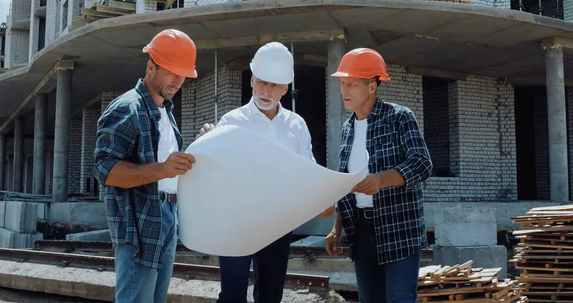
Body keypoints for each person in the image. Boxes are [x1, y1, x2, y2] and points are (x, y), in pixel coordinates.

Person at [197, 42, 330, 303]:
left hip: (277, 225)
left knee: (271, 295)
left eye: (273, 85)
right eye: (261, 82)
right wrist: (206, 145)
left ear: (285, 88)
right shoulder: (231, 122)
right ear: (252, 80)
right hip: (236, 223)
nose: (266, 90)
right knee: (232, 296)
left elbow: (307, 172)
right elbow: (213, 171)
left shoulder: (296, 126)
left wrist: (324, 196)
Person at [94, 29, 198, 303]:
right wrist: (163, 169)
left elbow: (166, 167)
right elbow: (106, 170)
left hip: (165, 214)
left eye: (183, 74)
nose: (178, 80)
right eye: (171, 72)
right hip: (138, 223)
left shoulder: (164, 110)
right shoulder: (127, 108)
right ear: (150, 66)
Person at [324, 48, 433, 303]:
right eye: (342, 83)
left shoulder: (399, 117)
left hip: (399, 229)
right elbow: (346, 184)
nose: (344, 90)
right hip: (361, 232)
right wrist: (336, 228)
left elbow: (422, 164)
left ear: (372, 85)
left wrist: (381, 181)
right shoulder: (348, 128)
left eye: (351, 84)